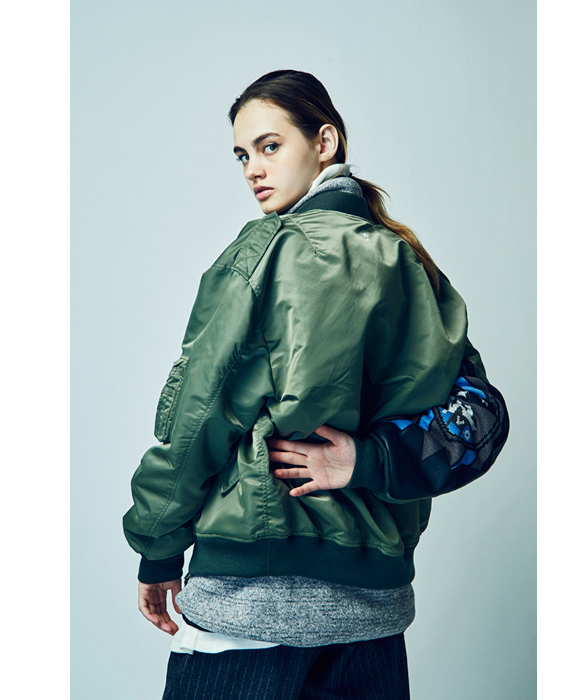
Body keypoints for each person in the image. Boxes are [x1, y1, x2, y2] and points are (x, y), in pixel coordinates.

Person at [123, 69, 509, 700]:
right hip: (374, 615)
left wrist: (158, 546)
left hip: (253, 600)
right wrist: (370, 460)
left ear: (324, 142)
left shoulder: (264, 252)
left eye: (270, 146)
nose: (253, 169)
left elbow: (198, 416)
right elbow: (480, 417)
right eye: (243, 155)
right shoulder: (409, 261)